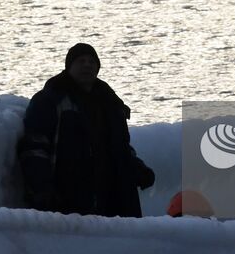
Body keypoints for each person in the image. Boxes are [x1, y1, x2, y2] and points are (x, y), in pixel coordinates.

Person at [18, 43, 155, 217]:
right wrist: (41, 188)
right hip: (67, 198)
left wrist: (137, 168)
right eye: (81, 61)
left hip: (111, 198)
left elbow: (119, 147)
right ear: (69, 67)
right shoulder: (51, 99)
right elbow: (35, 146)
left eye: (92, 61)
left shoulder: (110, 103)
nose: (87, 65)